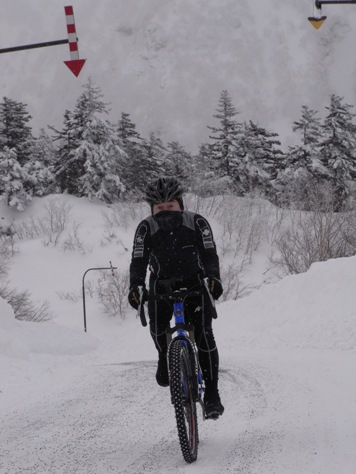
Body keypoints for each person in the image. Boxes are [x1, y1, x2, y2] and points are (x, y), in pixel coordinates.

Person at [128, 177, 224, 419]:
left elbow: (209, 252)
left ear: (180, 204)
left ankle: (212, 394)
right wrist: (135, 286)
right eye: (159, 208)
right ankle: (164, 356)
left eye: (169, 206)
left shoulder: (198, 222)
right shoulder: (145, 228)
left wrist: (213, 278)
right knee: (158, 330)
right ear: (152, 209)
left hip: (195, 283)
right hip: (160, 284)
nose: (165, 211)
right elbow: (138, 260)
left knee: (204, 336)